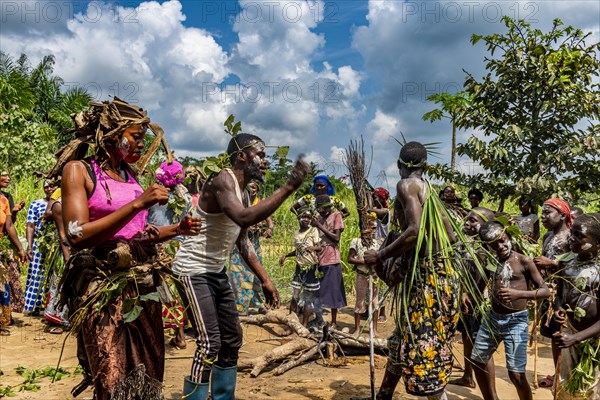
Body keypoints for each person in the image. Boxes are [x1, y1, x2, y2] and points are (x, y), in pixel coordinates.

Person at [55, 98, 201, 399]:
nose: (140, 145)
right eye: (135, 137)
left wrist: (177, 229)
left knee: (147, 373)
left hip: (141, 287)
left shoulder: (130, 176)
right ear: (112, 134)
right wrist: (139, 203)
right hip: (103, 287)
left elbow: (137, 234)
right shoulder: (79, 171)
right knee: (113, 375)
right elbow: (76, 234)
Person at [172, 133, 311, 399]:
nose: (265, 161)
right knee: (209, 343)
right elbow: (243, 217)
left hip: (215, 271)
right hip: (192, 270)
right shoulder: (224, 179)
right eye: (260, 155)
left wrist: (265, 279)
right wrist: (289, 187)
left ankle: (224, 395)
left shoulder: (244, 192)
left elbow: (243, 241)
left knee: (233, 338)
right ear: (241, 156)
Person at [363, 141, 460, 400]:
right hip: (443, 278)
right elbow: (451, 237)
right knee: (402, 341)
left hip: (427, 280)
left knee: (424, 349)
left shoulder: (406, 185)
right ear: (425, 166)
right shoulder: (430, 190)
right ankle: (383, 396)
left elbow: (414, 232)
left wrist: (380, 255)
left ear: (399, 165)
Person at [471, 221, 550, 400]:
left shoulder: (524, 261)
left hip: (516, 321)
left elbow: (545, 291)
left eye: (502, 241)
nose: (500, 247)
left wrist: (519, 294)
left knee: (516, 374)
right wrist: (468, 295)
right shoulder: (490, 263)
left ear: (509, 236)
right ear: (487, 246)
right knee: (477, 360)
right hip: (492, 318)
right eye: (493, 245)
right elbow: (480, 285)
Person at [449, 207, 498, 395]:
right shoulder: (467, 242)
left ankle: (491, 395)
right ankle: (468, 376)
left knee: (481, 344)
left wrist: (471, 294)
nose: (467, 224)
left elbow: (484, 276)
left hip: (479, 300)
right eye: (467, 220)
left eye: (473, 221)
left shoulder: (487, 246)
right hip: (465, 297)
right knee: (467, 335)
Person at [552, 213, 600, 399]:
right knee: (565, 386)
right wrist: (559, 309)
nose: (572, 238)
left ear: (597, 243)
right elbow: (560, 295)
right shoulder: (567, 264)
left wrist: (578, 337)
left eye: (580, 236)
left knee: (591, 389)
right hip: (570, 334)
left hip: (593, 341)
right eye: (573, 233)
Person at [147, 160, 192, 350]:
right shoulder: (185, 198)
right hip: (178, 247)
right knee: (177, 289)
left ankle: (177, 334)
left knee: (161, 290)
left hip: (158, 247)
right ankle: (179, 332)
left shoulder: (154, 196)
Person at [533, 198, 573, 388]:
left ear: (563, 215)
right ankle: (557, 374)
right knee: (554, 336)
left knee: (567, 335)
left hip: (567, 295)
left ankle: (566, 375)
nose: (543, 217)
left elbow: (579, 265)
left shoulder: (572, 237)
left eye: (548, 213)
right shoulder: (547, 236)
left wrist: (553, 263)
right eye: (542, 213)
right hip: (550, 295)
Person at [227, 180, 273, 315]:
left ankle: (258, 304)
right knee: (238, 275)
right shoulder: (238, 201)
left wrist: (269, 229)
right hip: (239, 244)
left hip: (254, 244)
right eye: (251, 187)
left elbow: (269, 222)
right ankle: (240, 307)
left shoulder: (260, 203)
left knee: (257, 275)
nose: (253, 190)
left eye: (255, 188)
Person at [279, 208, 323, 328]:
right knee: (295, 297)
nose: (306, 219)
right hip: (299, 268)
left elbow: (320, 247)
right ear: (299, 218)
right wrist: (286, 255)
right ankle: (292, 324)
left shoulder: (313, 231)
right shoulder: (297, 233)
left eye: (309, 217)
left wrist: (313, 248)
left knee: (308, 298)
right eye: (304, 217)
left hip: (311, 269)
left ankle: (303, 325)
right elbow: (298, 251)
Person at [23, 179, 57, 315]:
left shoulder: (63, 203)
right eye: (46, 187)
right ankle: (31, 307)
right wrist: (30, 247)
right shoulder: (36, 204)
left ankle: (51, 309)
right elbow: (30, 225)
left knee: (55, 276)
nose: (49, 189)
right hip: (39, 244)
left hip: (57, 245)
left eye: (52, 186)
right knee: (36, 274)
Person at [312, 194, 346, 328]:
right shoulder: (320, 218)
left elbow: (336, 238)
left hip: (332, 257)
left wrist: (319, 226)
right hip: (320, 257)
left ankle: (333, 322)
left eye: (322, 209)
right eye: (319, 210)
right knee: (319, 290)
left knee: (333, 291)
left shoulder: (336, 215)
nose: (321, 212)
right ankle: (319, 319)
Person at [41, 187, 71, 332]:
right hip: (65, 247)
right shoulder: (60, 201)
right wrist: (67, 256)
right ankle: (56, 319)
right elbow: (62, 234)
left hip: (80, 246)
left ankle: (69, 317)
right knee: (60, 281)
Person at [348, 218, 384, 337]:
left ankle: (374, 329)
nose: (372, 232)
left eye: (374, 229)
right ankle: (357, 329)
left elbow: (381, 259)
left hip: (374, 276)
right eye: (370, 229)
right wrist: (363, 261)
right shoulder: (356, 242)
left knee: (375, 302)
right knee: (360, 302)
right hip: (361, 275)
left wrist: (376, 263)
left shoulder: (377, 243)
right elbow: (350, 258)